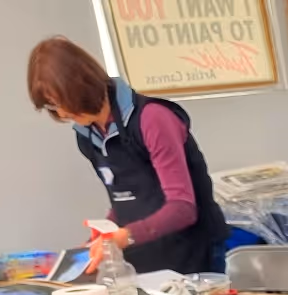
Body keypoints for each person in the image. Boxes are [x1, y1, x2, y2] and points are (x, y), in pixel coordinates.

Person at [26, 37, 230, 275]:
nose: (61, 113)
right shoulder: (86, 136)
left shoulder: (153, 119)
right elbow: (125, 199)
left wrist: (124, 236)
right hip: (146, 257)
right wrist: (106, 232)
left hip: (194, 252)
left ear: (81, 85)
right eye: (51, 107)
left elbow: (182, 208)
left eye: (61, 102)